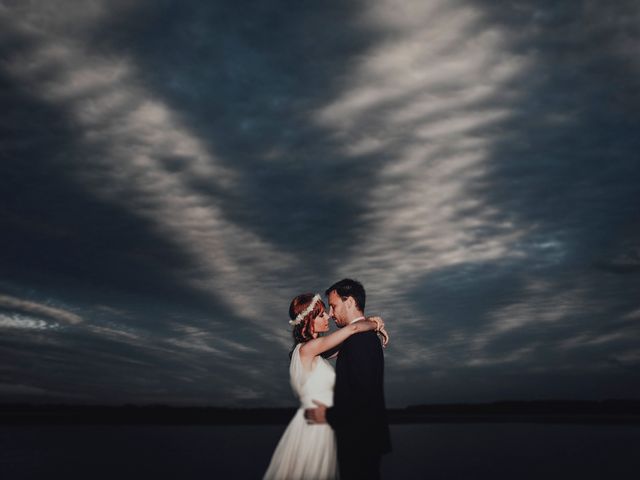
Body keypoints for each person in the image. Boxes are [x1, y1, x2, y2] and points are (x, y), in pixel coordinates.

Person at [263, 292, 387, 480]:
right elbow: (352, 331)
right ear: (308, 321)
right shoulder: (308, 349)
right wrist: (376, 324)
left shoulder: (315, 350)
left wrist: (368, 323)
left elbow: (348, 342)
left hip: (323, 423)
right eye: (321, 314)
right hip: (316, 428)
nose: (328, 316)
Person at [304, 279, 392, 480]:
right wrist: (372, 322)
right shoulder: (357, 337)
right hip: (360, 439)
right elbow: (324, 350)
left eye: (333, 306)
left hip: (360, 441)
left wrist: (327, 415)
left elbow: (362, 395)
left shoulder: (361, 340)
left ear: (350, 302)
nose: (331, 314)